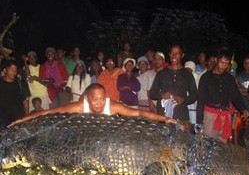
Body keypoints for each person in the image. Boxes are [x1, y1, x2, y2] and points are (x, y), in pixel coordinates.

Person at [10, 84, 177, 126]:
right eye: (95, 99)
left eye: (102, 98)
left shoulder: (112, 106)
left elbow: (140, 113)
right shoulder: (79, 106)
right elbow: (49, 112)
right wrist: (22, 120)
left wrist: (164, 119)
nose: (99, 103)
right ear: (87, 99)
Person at [196, 49, 249, 143]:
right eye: (222, 62)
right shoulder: (206, 77)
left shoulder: (229, 79)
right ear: (216, 60)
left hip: (225, 116)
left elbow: (236, 96)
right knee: (207, 144)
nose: (224, 65)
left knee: (222, 147)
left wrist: (243, 109)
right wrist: (199, 121)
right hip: (210, 116)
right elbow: (201, 99)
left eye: (226, 63)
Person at [149, 44, 197, 130]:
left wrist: (183, 100)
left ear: (182, 55)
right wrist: (162, 95)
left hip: (181, 117)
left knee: (181, 142)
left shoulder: (188, 74)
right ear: (169, 55)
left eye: (177, 53)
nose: (174, 56)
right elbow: (152, 93)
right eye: (172, 53)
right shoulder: (162, 73)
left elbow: (194, 95)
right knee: (161, 142)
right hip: (163, 117)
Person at [0, 60, 30, 129]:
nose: (14, 72)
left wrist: (27, 116)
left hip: (19, 116)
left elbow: (25, 99)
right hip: (4, 118)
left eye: (15, 70)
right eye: (11, 69)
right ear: (5, 70)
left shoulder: (20, 82)